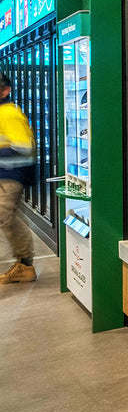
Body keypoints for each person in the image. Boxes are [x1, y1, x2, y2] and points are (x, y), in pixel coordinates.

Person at [0, 73, 36, 283]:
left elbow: (23, 147)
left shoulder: (9, 113)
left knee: (5, 217)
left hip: (10, 177)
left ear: (5, 91)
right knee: (9, 218)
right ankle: (24, 263)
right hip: (4, 176)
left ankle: (25, 264)